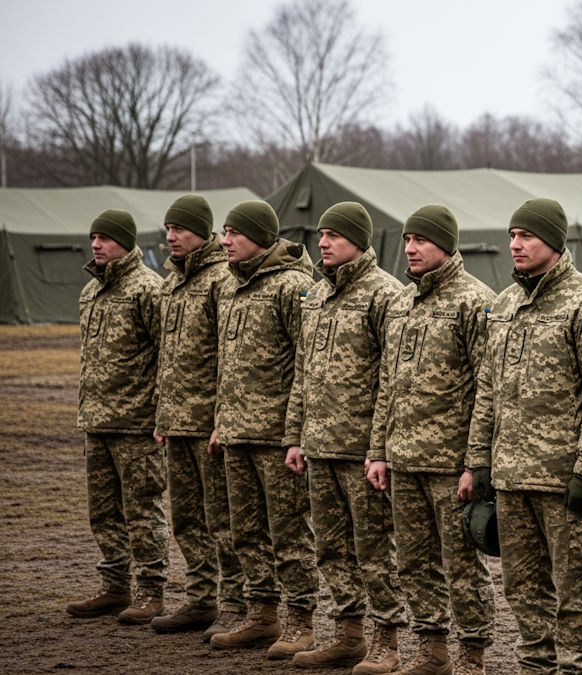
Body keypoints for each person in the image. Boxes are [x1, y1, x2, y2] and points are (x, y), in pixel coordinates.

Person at [465, 198, 582, 674]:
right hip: (511, 479)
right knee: (522, 586)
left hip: (564, 484)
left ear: (554, 242)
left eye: (527, 236)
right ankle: (535, 665)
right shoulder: (504, 304)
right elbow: (487, 390)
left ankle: (578, 669)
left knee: (573, 589)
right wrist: (480, 462)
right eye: (512, 235)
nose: (515, 245)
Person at [367, 204, 497, 675]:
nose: (410, 248)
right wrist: (378, 451)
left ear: (445, 244)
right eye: (406, 240)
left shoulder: (475, 301)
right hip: (403, 460)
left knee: (462, 566)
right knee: (414, 564)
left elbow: (489, 387)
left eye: (421, 240)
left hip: (450, 464)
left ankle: (472, 656)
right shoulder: (401, 302)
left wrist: (475, 464)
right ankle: (432, 649)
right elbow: (388, 383)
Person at [280, 202, 405, 672]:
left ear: (359, 240)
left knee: (374, 550)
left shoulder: (385, 296)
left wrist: (379, 449)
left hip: (360, 452)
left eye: (334, 234)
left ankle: (386, 641)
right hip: (319, 446)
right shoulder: (314, 296)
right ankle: (349, 635)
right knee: (331, 548)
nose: (323, 242)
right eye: (321, 233)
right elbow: (303, 373)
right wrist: (296, 437)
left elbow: (391, 382)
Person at [207, 200, 318, 660]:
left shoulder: (292, 287)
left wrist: (297, 433)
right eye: (223, 232)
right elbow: (226, 364)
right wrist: (220, 421)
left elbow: (307, 366)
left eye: (233, 232)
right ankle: (261, 613)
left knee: (289, 531)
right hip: (236, 434)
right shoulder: (231, 287)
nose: (224, 240)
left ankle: (300, 619)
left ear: (259, 237)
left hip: (276, 437)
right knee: (245, 530)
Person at [148, 195, 246, 641]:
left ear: (203, 233)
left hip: (210, 424)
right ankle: (201, 598)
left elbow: (231, 358)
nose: (171, 237)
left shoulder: (220, 281)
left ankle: (235, 603)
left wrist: (220, 420)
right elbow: (166, 356)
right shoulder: (171, 283)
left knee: (223, 519)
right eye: (168, 229)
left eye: (180, 229)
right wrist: (162, 413)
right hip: (177, 422)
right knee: (185, 518)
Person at [67, 209, 169, 625]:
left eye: (106, 238)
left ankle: (151, 590)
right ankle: (114, 585)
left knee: (142, 509)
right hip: (97, 421)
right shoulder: (91, 291)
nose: (97, 245)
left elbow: (168, 357)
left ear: (126, 242)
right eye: (93, 237)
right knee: (103, 511)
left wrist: (161, 414)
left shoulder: (149, 289)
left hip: (137, 425)